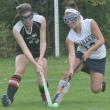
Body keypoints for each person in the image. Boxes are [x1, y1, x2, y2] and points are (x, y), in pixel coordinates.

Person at [53, 3, 106, 104]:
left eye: (71, 18)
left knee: (95, 89)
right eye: (66, 20)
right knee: (68, 74)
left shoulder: (90, 23)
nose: (69, 22)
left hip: (98, 57)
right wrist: (71, 69)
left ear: (77, 17)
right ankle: (57, 97)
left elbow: (102, 40)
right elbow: (71, 54)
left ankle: (100, 83)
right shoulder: (70, 37)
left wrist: (89, 51)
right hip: (81, 54)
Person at [1, 3, 48, 106]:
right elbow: (25, 50)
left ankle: (45, 98)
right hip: (24, 50)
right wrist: (35, 64)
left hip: (39, 49)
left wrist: (40, 59)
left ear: (32, 14)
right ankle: (8, 99)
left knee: (41, 77)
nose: (28, 21)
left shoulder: (41, 20)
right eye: (24, 18)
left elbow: (43, 42)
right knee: (19, 70)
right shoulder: (16, 28)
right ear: (20, 17)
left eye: (29, 17)